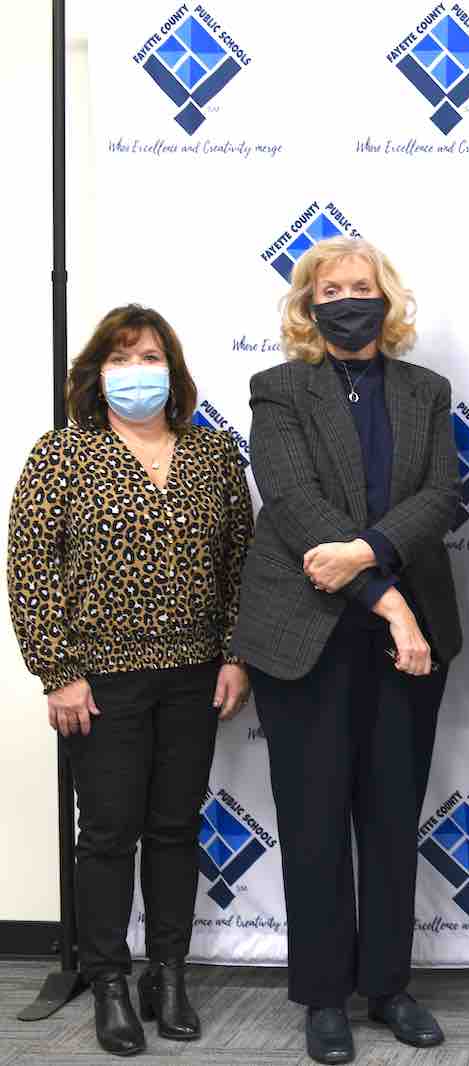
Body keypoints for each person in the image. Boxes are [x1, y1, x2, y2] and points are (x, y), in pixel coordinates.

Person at [232, 237, 463, 1065]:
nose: (345, 298)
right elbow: (293, 500)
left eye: (360, 287)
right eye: (329, 288)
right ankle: (323, 996)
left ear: (385, 298)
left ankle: (389, 987)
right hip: (306, 635)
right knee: (315, 819)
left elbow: (441, 495)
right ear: (307, 303)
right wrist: (390, 599)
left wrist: (367, 560)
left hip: (403, 642)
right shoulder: (279, 389)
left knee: (392, 816)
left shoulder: (426, 391)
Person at [6, 305, 252, 1056]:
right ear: (95, 373)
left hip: (193, 672)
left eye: (150, 357)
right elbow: (30, 566)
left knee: (176, 829)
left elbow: (243, 560)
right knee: (109, 835)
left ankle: (167, 973)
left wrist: (236, 654)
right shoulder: (62, 455)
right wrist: (59, 671)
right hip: (98, 681)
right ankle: (109, 979)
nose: (136, 371)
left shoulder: (213, 456)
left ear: (172, 371)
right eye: (120, 357)